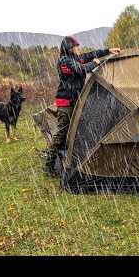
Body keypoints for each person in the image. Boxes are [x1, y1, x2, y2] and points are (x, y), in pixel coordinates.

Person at [43, 36, 120, 177]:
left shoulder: (75, 58)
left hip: (75, 101)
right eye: (76, 46)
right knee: (61, 133)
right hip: (66, 102)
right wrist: (95, 63)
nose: (79, 48)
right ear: (70, 48)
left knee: (74, 129)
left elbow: (90, 55)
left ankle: (69, 157)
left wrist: (108, 51)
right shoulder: (64, 61)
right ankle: (48, 165)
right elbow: (80, 69)